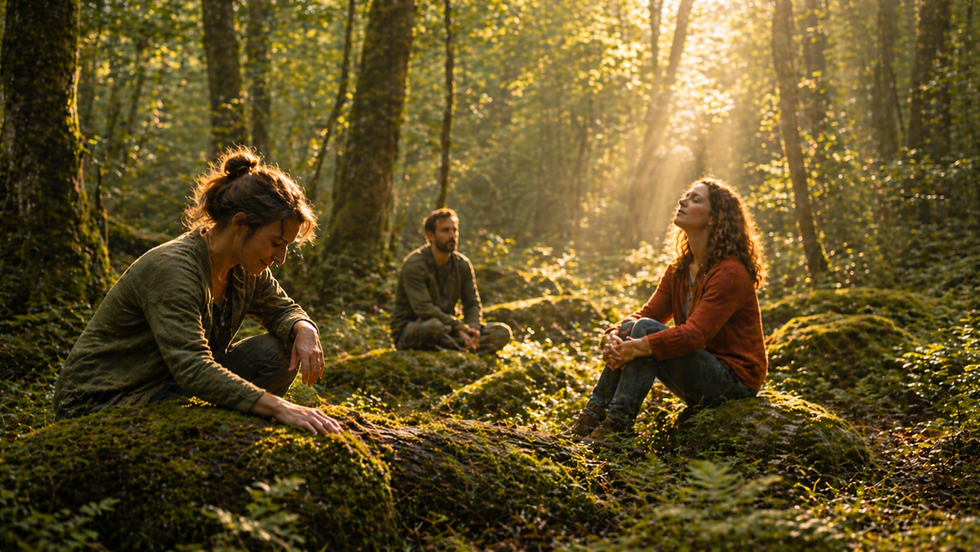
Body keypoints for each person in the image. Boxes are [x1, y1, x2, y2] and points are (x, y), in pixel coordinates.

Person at [54, 148, 342, 436]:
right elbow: (192, 366)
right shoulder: (172, 269)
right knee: (210, 419)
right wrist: (281, 408)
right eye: (276, 243)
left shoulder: (244, 267)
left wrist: (303, 328)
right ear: (239, 224)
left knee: (279, 349)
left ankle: (230, 433)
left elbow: (282, 310)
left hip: (169, 388)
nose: (280, 258)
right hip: (105, 400)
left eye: (287, 247)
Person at [562, 178, 768, 442]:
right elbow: (645, 314)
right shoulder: (679, 269)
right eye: (686, 196)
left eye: (695, 199)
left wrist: (636, 347)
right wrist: (613, 336)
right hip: (701, 369)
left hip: (735, 381)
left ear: (715, 219)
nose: (683, 201)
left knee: (645, 332)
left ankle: (616, 428)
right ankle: (589, 419)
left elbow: (695, 335)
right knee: (631, 328)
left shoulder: (730, 273)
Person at [390, 208, 512, 354]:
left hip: (449, 328)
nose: (452, 235)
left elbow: (472, 303)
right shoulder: (415, 264)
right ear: (430, 236)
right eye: (445, 231)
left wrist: (473, 329)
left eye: (454, 230)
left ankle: (459, 346)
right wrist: (460, 328)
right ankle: (459, 347)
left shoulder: (462, 264)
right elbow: (424, 309)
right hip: (414, 329)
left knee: (501, 332)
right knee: (434, 327)